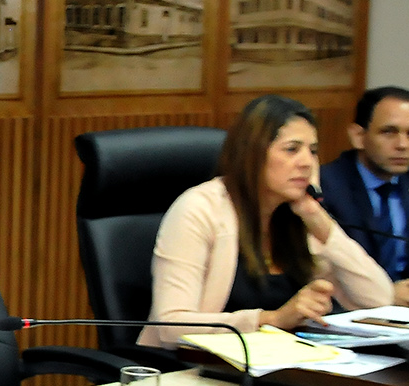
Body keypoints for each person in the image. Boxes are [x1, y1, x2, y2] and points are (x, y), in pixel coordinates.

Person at [139, 94, 391, 348]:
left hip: (284, 362)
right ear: (253, 154)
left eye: (312, 151)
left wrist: (317, 218)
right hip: (195, 364)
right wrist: (271, 319)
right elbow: (170, 326)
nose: (307, 163)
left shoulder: (299, 217)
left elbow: (380, 300)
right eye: (292, 149)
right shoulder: (199, 209)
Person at [316, 85, 409, 306]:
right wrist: (385, 295)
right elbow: (326, 269)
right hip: (351, 308)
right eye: (389, 132)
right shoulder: (327, 184)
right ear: (358, 136)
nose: (403, 145)